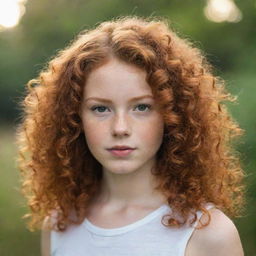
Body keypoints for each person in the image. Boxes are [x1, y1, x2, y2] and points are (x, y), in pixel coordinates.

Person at [16, 16, 246, 256]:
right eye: (100, 108)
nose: (120, 128)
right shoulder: (58, 225)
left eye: (142, 107)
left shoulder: (208, 232)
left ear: (172, 115)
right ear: (74, 119)